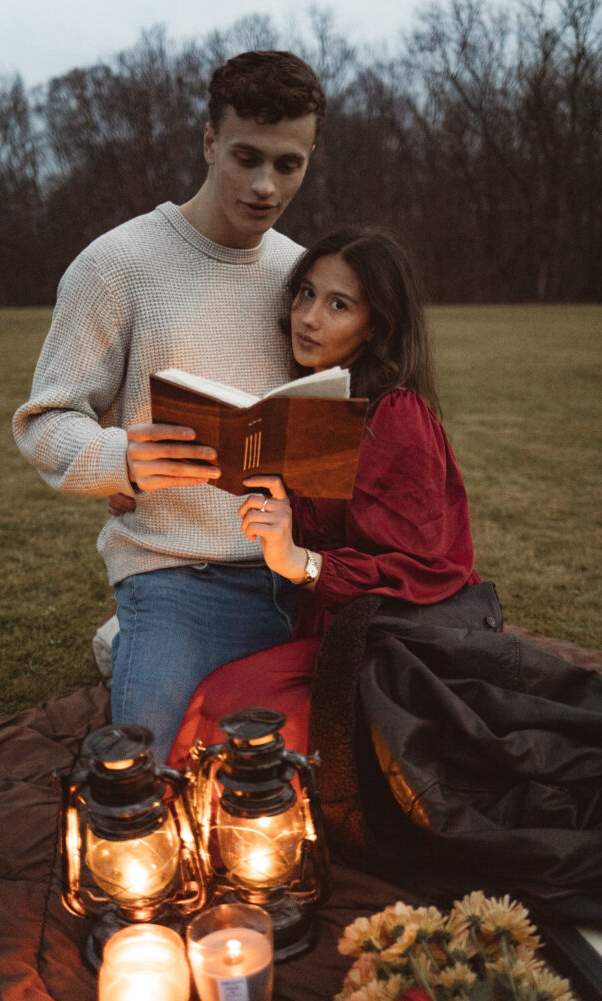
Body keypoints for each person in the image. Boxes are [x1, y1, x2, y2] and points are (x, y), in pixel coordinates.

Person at [12, 50, 326, 760]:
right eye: (245, 156)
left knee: (324, 777)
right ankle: (140, 635)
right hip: (179, 571)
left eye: (288, 164)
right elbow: (45, 421)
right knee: (149, 774)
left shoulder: (303, 276)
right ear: (209, 141)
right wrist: (121, 459)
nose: (264, 185)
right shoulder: (116, 265)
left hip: (304, 570)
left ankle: (132, 642)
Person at [166, 227, 481, 766]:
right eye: (306, 293)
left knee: (227, 710)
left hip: (393, 642)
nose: (308, 317)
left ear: (375, 326)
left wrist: (302, 564)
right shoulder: (315, 403)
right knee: (213, 709)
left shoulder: (396, 415)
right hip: (324, 625)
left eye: (338, 305)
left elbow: (422, 570)